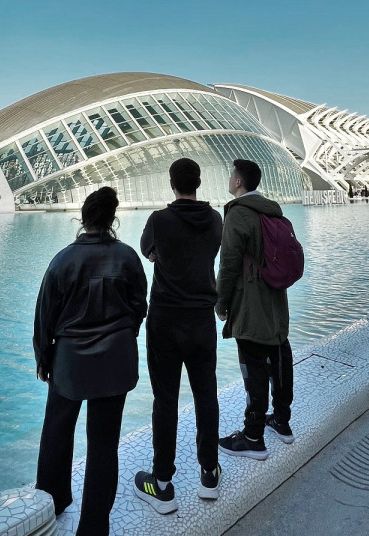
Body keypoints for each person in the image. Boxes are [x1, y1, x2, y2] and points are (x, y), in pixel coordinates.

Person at [34, 187, 147, 535]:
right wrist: (124, 337)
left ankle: (53, 499)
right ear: (113, 219)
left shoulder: (62, 260)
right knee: (103, 443)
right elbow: (139, 308)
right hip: (114, 361)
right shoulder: (128, 258)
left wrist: (43, 358)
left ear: (82, 219)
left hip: (69, 363)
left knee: (57, 429)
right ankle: (94, 526)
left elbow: (44, 318)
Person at [133, 158, 224, 514]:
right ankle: (209, 474)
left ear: (171, 184)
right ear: (198, 182)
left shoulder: (159, 220)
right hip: (202, 319)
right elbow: (212, 251)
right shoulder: (215, 219)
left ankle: (162, 482)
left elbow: (148, 252)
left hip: (166, 319)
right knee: (206, 394)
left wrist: (164, 253)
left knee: (165, 399)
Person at [215, 159, 294, 461]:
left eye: (231, 176)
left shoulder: (239, 214)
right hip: (276, 299)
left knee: (253, 363)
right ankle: (282, 421)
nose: (230, 179)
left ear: (237, 181)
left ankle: (252, 436)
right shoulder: (272, 210)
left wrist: (222, 303)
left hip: (249, 301)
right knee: (278, 353)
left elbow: (229, 263)